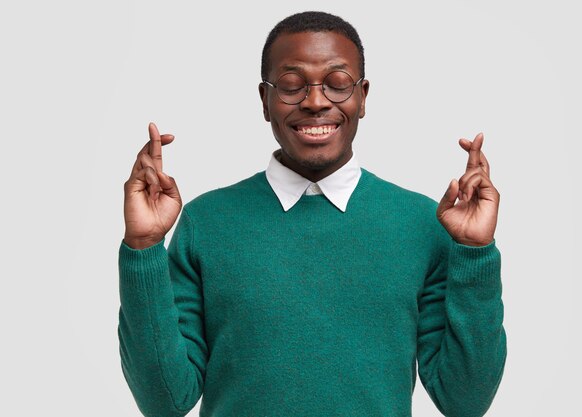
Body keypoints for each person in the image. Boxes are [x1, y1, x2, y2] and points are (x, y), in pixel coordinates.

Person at [118, 11, 506, 417]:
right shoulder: (207, 222)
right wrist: (143, 248)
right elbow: (164, 401)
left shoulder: (422, 222)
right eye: (290, 85)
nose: (316, 101)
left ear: (363, 97)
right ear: (265, 101)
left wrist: (475, 251)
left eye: (338, 84)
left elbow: (465, 401)